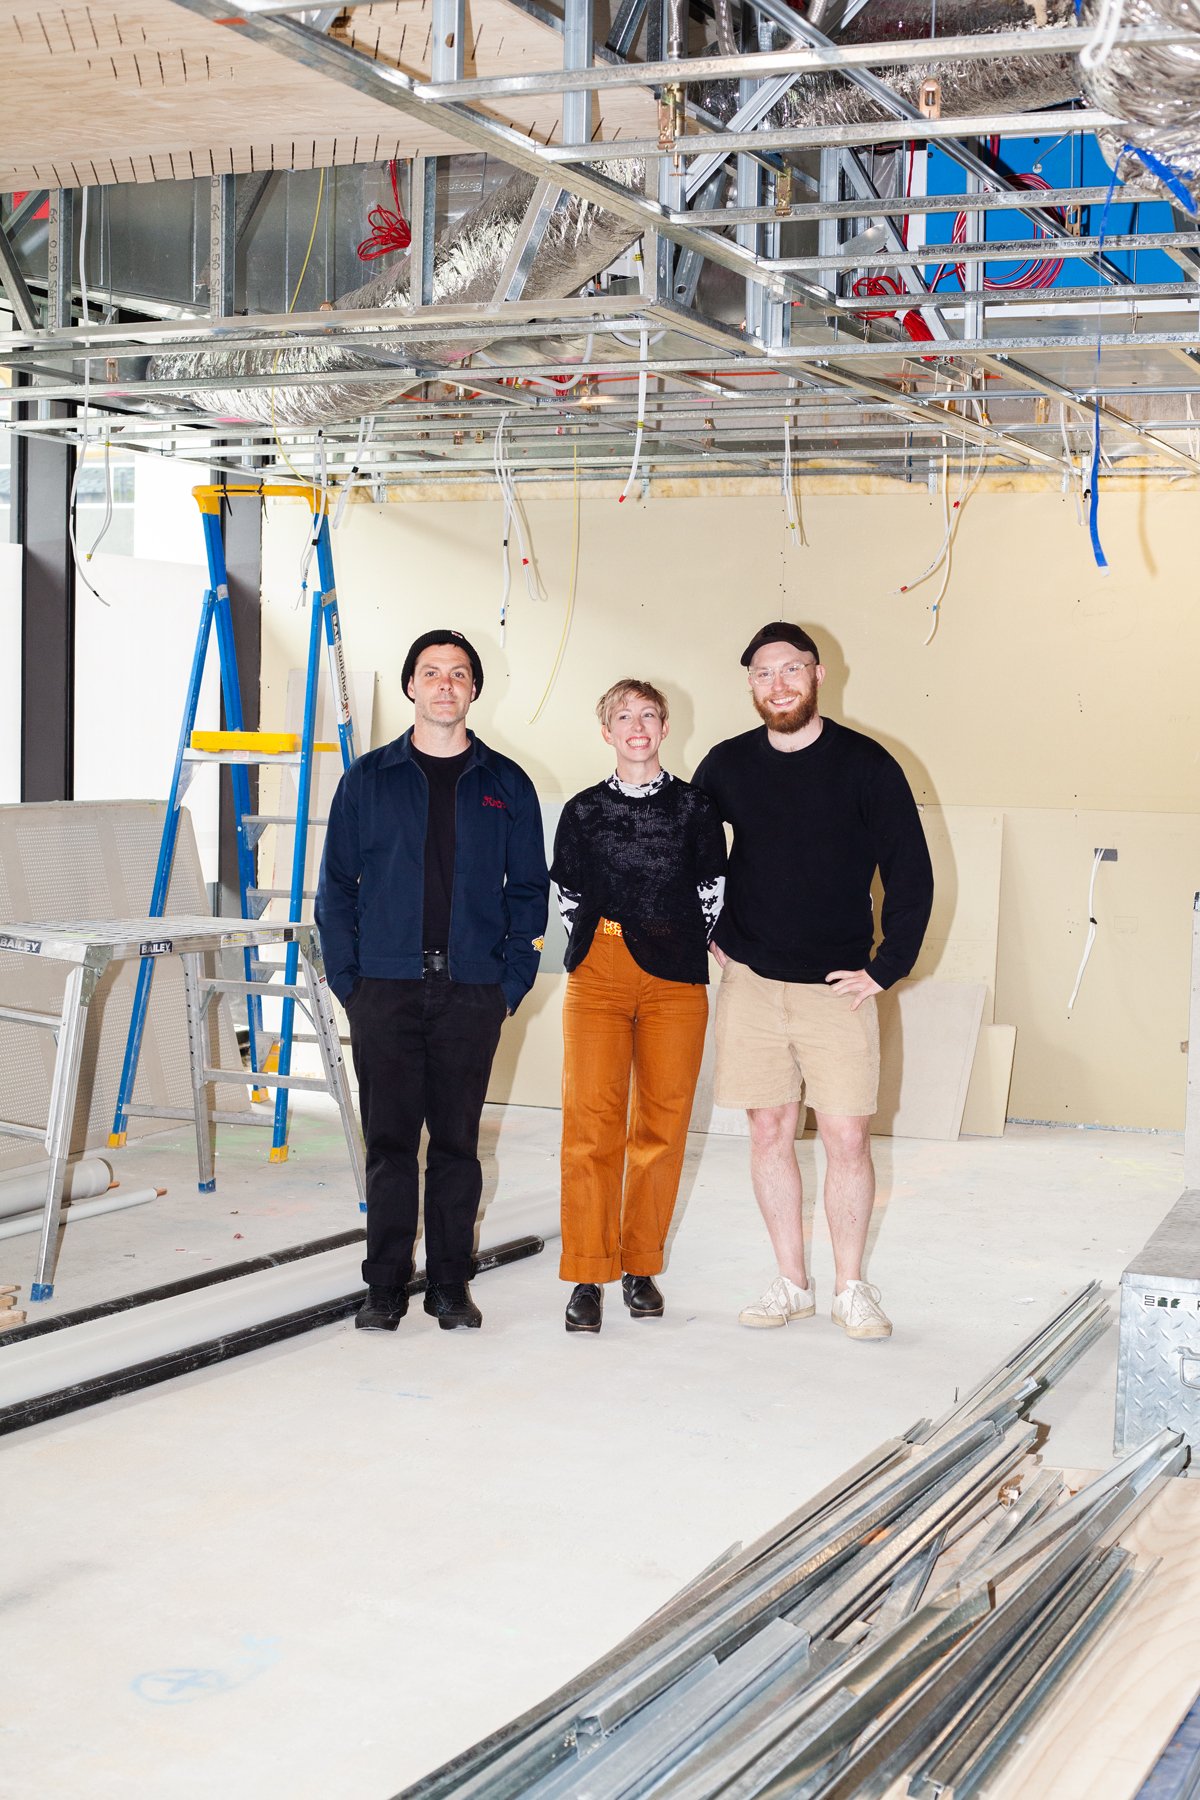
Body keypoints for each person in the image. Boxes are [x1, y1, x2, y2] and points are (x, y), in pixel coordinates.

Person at [693, 623, 933, 1341]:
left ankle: (851, 1288)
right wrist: (712, 937)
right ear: (750, 685)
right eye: (764, 673)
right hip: (754, 984)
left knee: (846, 1137)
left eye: (791, 669)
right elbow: (691, 855)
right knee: (767, 1130)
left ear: (819, 673)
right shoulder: (727, 765)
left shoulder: (866, 765)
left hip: (839, 988)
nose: (779, 684)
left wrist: (886, 968)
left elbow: (912, 874)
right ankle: (792, 1283)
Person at [315, 629, 549, 1334]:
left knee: (455, 1146)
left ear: (474, 689)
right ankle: (384, 1285)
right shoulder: (368, 779)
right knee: (388, 1146)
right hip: (383, 991)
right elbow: (335, 890)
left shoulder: (506, 784)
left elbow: (529, 893)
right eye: (431, 673)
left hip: (471, 994)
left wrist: (507, 984)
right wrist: (351, 981)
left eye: (458, 674)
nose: (444, 685)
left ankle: (450, 1285)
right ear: (413, 687)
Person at [551, 679, 727, 1334]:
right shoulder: (582, 810)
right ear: (606, 731)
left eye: (648, 715)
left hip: (675, 979)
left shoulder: (694, 809)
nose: (636, 725)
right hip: (598, 974)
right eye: (623, 715)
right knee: (591, 1126)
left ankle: (639, 1266)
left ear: (664, 727)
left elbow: (712, 888)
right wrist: (608, 940)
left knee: (662, 1124)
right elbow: (568, 891)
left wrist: (680, 942)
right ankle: (587, 1275)